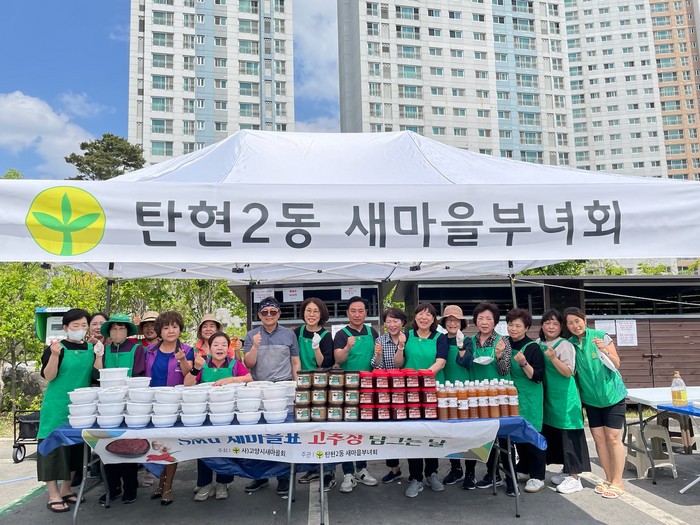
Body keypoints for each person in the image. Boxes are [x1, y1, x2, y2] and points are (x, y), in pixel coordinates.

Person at [37, 309, 103, 513]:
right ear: (65, 327)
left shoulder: (90, 348)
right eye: (76, 325)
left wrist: (99, 354)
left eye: (84, 325)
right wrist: (54, 355)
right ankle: (53, 494)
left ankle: (66, 489)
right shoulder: (57, 348)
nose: (80, 329)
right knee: (52, 449)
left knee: (75, 449)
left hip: (80, 407)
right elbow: (49, 376)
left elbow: (97, 375)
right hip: (56, 406)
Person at [564, 307, 627, 499]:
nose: (575, 325)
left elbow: (616, 363)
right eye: (570, 323)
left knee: (613, 438)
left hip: (612, 395)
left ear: (584, 320)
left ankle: (618, 481)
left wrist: (604, 350)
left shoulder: (601, 336)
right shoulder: (570, 344)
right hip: (591, 399)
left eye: (577, 321)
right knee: (599, 439)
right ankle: (608, 478)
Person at [243, 296, 301, 497]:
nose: (269, 315)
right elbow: (248, 364)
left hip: (284, 389)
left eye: (273, 312)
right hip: (259, 390)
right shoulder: (251, 335)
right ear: (259, 315)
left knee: (283, 435)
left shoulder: (289, 334)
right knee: (259, 436)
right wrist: (255, 346)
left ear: (279, 314)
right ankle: (260, 476)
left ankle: (284, 478)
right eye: (264, 312)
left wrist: (297, 386)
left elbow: (295, 362)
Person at [185, 332, 252, 501]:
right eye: (215, 345)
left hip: (228, 414)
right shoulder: (202, 363)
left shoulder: (234, 364)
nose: (219, 348)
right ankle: (205, 483)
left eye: (223, 345)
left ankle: (223, 483)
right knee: (204, 448)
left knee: (226, 448)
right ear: (209, 348)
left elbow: (249, 378)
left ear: (228, 348)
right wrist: (196, 368)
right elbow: (187, 383)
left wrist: (231, 380)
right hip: (206, 414)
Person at [393, 302, 448, 498]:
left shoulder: (440, 338)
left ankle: (432, 473)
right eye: (420, 314)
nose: (424, 318)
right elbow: (398, 363)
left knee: (432, 433)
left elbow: (441, 362)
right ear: (415, 317)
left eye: (428, 314)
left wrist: (422, 377)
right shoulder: (407, 336)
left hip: (433, 391)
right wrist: (400, 346)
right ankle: (415, 477)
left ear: (433, 319)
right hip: (410, 392)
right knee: (413, 434)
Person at [456, 302, 511, 492]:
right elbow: (463, 363)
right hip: (475, 395)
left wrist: (499, 355)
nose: (484, 322)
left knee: (501, 438)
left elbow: (505, 370)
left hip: (498, 396)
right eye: (480, 318)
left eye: (489, 318)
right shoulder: (470, 340)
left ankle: (505, 477)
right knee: (475, 437)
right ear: (475, 321)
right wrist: (461, 347)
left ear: (495, 321)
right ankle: (473, 474)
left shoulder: (503, 341)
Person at [537, 309, 591, 495]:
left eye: (555, 323)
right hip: (549, 397)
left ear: (561, 327)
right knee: (556, 435)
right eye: (547, 323)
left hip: (566, 397)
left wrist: (553, 358)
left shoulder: (565, 345)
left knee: (569, 435)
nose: (551, 327)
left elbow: (568, 372)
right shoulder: (538, 343)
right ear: (542, 325)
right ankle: (566, 471)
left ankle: (575, 478)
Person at [145, 310, 194, 506]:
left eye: (174, 326)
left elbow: (190, 377)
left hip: (176, 404)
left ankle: (168, 486)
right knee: (157, 445)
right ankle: (160, 482)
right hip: (153, 403)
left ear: (180, 329)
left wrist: (182, 359)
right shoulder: (149, 351)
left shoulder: (187, 350)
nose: (171, 331)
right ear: (159, 331)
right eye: (166, 327)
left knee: (171, 445)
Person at [333, 296, 380, 493]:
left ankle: (362, 469)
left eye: (361, 311)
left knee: (363, 430)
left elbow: (376, 360)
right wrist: (347, 347)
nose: (357, 314)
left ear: (366, 313)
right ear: (347, 313)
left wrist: (378, 354)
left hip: (368, 387)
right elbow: (338, 359)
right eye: (353, 311)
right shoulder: (341, 334)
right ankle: (347, 473)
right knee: (346, 430)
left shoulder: (372, 332)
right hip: (347, 388)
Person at [98, 313, 143, 505]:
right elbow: (96, 373)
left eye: (121, 328)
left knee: (128, 445)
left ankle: (130, 486)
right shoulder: (104, 350)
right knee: (107, 445)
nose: (117, 332)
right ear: (109, 332)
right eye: (114, 328)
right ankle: (112, 486)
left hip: (129, 402)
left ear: (127, 331)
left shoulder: (136, 348)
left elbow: (140, 374)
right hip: (107, 404)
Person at [294, 297, 336, 490]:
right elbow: (293, 358)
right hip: (301, 385)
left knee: (323, 429)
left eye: (315, 311)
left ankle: (329, 471)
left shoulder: (326, 336)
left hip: (320, 386)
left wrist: (317, 347)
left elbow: (324, 363)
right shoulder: (297, 332)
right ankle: (312, 468)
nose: (311, 315)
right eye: (308, 311)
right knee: (306, 430)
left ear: (321, 314)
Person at [505, 308, 546, 494]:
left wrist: (523, 363)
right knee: (518, 433)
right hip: (513, 395)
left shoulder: (532, 348)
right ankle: (524, 468)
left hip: (530, 396)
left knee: (532, 434)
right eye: (510, 324)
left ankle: (538, 476)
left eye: (518, 326)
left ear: (527, 328)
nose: (513, 329)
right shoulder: (505, 343)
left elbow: (537, 377)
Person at [372, 307, 408, 484]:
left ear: (403, 322)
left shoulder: (409, 338)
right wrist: (378, 355)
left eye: (396, 321)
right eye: (389, 321)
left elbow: (402, 363)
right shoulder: (380, 340)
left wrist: (401, 346)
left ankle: (417, 471)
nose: (392, 324)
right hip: (387, 391)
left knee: (410, 430)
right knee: (388, 431)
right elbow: (376, 365)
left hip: (408, 390)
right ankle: (394, 469)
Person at [438, 305, 472, 486]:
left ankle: (470, 472)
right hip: (445, 390)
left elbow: (467, 362)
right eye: (449, 320)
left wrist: (460, 345)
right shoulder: (440, 339)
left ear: (461, 323)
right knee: (450, 433)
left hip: (464, 389)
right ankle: (456, 468)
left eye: (456, 320)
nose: (452, 323)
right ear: (444, 323)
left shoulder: (468, 341)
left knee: (468, 433)